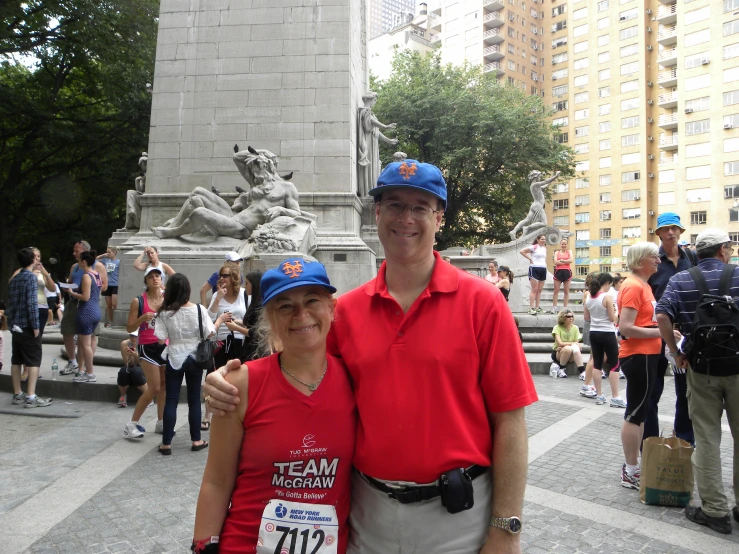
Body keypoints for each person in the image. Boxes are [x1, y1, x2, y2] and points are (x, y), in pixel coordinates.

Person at [205, 160, 538, 554]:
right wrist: (229, 382)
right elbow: (299, 378)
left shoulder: (483, 303)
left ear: (438, 218)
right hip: (367, 514)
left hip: (458, 517)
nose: (406, 218)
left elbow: (511, 420)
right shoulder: (344, 312)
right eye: (394, 204)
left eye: (420, 207)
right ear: (377, 213)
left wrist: (506, 529)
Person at [192, 259, 356, 553]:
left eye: (312, 301)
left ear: (331, 308)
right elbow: (217, 481)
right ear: (270, 317)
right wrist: (204, 546)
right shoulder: (240, 383)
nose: (301, 314)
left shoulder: (356, 380)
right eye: (285, 306)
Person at [655, 229, 739, 534]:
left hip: (701, 370)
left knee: (706, 438)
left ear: (698, 254)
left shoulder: (681, 280)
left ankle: (715, 511)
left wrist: (677, 353)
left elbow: (662, 316)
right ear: (723, 250)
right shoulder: (738, 274)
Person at [645, 213, 696, 447]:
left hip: (686, 333)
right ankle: (650, 443)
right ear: (658, 233)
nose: (671, 233)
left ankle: (684, 441)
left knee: (685, 391)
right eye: (666, 229)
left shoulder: (692, 258)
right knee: (652, 391)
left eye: (675, 228)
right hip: (657, 332)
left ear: (681, 232)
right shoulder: (652, 261)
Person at [617, 242, 662, 490]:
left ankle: (633, 466)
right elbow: (625, 327)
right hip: (639, 355)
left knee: (640, 412)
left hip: (646, 354)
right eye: (653, 257)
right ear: (640, 260)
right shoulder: (634, 285)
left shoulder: (641, 285)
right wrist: (662, 333)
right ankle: (631, 469)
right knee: (635, 414)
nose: (658, 260)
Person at [155, 274, 216, 455]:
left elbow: (160, 340)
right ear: (187, 290)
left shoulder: (164, 313)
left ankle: (166, 443)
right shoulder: (198, 309)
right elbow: (210, 333)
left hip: (174, 355)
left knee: (171, 400)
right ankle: (196, 440)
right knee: (194, 400)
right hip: (195, 356)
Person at [203, 263, 250, 430]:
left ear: (234, 278)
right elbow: (208, 318)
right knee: (215, 376)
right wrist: (217, 298)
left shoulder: (244, 295)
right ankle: (208, 413)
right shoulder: (217, 294)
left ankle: (237, 411)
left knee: (237, 377)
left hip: (239, 341)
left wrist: (237, 324)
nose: (222, 278)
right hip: (220, 341)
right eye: (221, 275)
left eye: (226, 275)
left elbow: (250, 319)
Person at [123, 267, 166, 438]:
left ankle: (161, 422)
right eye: (151, 277)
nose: (155, 279)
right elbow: (129, 327)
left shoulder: (167, 299)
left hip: (164, 345)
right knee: (154, 386)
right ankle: (132, 424)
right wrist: (142, 318)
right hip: (147, 345)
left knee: (164, 386)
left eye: (157, 276)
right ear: (146, 281)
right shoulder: (138, 301)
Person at [8, 248, 52, 408]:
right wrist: (35, 326)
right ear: (33, 260)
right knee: (34, 360)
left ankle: (17, 393)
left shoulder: (14, 279)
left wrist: (12, 323)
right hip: (27, 325)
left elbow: (11, 303)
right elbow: (32, 303)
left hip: (16, 325)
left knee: (16, 359)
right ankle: (31, 396)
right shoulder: (31, 278)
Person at [59, 240, 108, 376]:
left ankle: (87, 368)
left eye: (77, 251)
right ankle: (75, 364)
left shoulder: (96, 268)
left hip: (87, 305)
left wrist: (83, 290)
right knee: (68, 331)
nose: (74, 253)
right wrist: (68, 286)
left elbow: (104, 286)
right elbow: (70, 281)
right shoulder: (75, 266)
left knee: (88, 339)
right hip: (75, 304)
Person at [584, 274, 624, 407]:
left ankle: (600, 395)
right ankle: (615, 397)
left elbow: (586, 317)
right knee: (614, 364)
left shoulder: (589, 297)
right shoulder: (607, 297)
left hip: (594, 332)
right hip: (607, 333)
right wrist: (617, 312)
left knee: (597, 363)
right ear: (606, 283)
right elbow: (613, 318)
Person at [67, 251, 103, 383]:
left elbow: (85, 297)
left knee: (85, 345)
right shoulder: (97, 274)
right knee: (86, 343)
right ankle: (87, 371)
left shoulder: (86, 276)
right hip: (96, 310)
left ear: (83, 262)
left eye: (80, 260)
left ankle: (89, 373)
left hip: (86, 311)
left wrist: (72, 292)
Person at [550, 309, 583, 378]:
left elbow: (576, 343)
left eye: (572, 316)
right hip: (558, 352)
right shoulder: (557, 328)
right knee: (568, 349)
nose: (571, 318)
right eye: (568, 316)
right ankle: (561, 369)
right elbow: (560, 343)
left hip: (570, 352)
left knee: (574, 349)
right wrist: (572, 344)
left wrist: (572, 344)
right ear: (563, 318)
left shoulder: (575, 328)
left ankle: (582, 371)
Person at [520, 234, 548, 315]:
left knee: (539, 290)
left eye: (544, 239)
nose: (543, 241)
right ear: (538, 239)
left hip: (543, 268)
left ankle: (537, 307)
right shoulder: (534, 247)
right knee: (534, 289)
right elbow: (522, 251)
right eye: (542, 239)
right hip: (534, 268)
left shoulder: (544, 248)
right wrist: (530, 259)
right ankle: (531, 308)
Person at [117, 335, 145, 408]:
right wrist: (130, 356)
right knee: (123, 371)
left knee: (136, 372)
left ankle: (147, 396)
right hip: (131, 367)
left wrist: (136, 356)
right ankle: (123, 395)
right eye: (131, 336)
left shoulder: (145, 343)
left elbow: (144, 364)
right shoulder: (125, 344)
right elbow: (128, 364)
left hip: (144, 368)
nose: (133, 338)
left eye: (135, 336)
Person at [97, 246, 121, 327]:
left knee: (114, 303)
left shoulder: (118, 262)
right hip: (107, 284)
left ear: (114, 252)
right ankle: (111, 321)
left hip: (115, 284)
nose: (108, 254)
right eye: (107, 252)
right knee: (109, 305)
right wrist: (104, 255)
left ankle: (116, 320)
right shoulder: (105, 260)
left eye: (109, 252)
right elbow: (96, 259)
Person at [551, 238, 573, 314]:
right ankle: (554, 307)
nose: (563, 245)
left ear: (567, 245)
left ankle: (565, 308)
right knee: (556, 290)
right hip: (558, 272)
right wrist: (565, 261)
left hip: (567, 272)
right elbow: (555, 262)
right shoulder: (557, 252)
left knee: (566, 291)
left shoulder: (569, 251)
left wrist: (562, 261)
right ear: (560, 245)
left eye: (565, 244)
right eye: (562, 244)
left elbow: (571, 260)